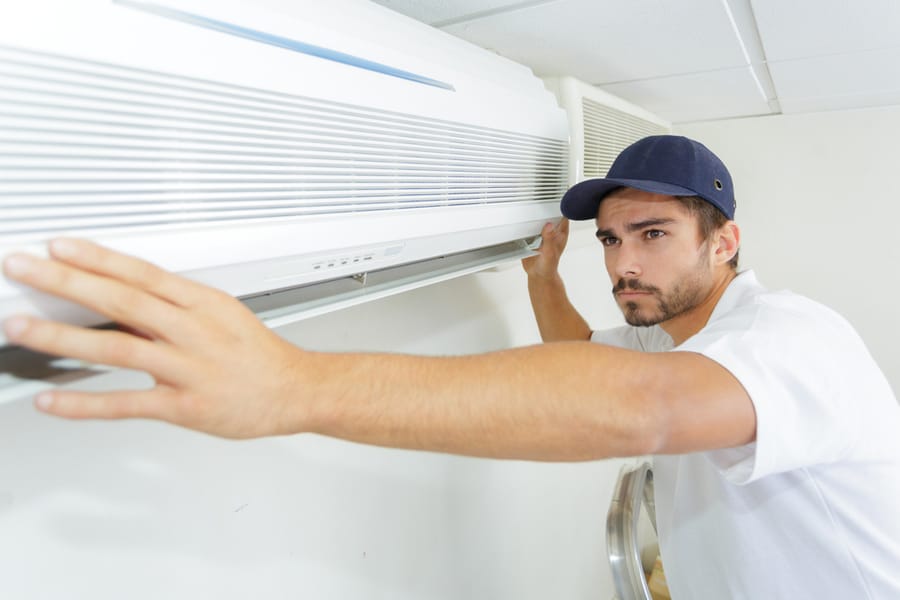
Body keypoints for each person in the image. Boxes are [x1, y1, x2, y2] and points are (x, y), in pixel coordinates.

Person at [2, 135, 898, 598]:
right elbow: (580, 361)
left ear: (726, 241)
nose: (625, 262)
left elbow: (649, 408)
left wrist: (293, 385)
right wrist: (544, 274)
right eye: (613, 239)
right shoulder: (673, 334)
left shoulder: (795, 337)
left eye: (655, 236)